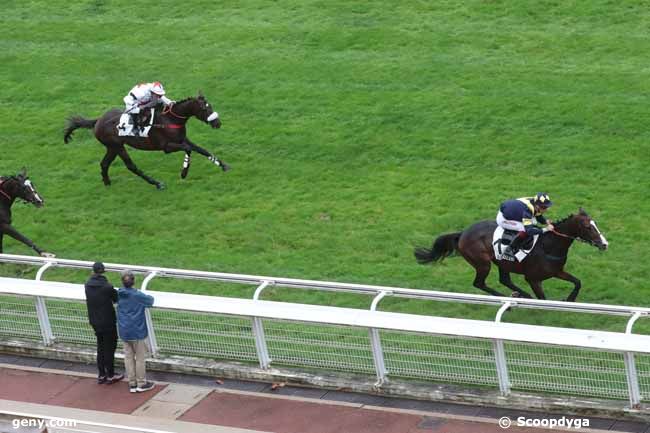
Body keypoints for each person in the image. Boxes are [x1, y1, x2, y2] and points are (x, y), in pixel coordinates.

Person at [84, 262, 123, 385]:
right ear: (103, 272)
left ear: (93, 271)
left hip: (95, 321)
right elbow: (116, 299)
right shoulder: (107, 286)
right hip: (108, 321)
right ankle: (111, 375)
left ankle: (101, 374)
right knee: (109, 348)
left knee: (100, 347)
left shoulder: (87, 285)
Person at [117, 270, 155, 393]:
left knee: (128, 358)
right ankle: (141, 383)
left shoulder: (119, 293)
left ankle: (132, 383)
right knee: (139, 358)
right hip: (137, 331)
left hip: (124, 331)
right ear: (133, 281)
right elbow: (150, 301)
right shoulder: (137, 295)